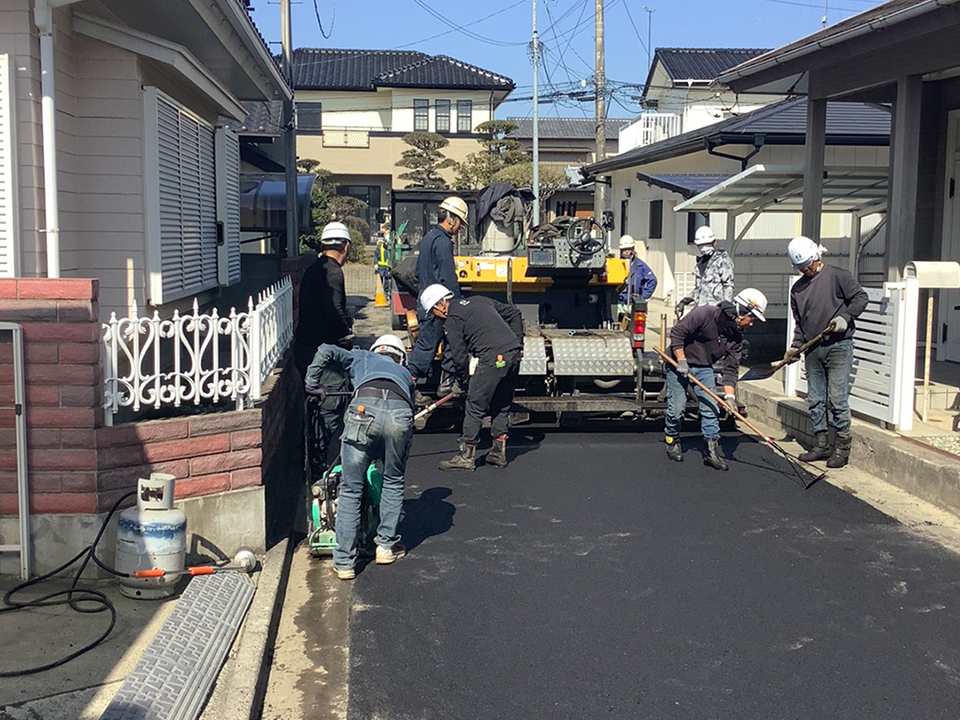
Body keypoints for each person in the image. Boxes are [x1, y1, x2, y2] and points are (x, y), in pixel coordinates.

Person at [304, 334, 415, 580]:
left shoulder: (361, 355)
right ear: (400, 357)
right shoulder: (404, 373)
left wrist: (312, 383)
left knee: (351, 488)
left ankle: (344, 561)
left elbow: (325, 348)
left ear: (377, 349)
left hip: (363, 412)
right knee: (393, 480)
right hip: (400, 413)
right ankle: (386, 547)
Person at [419, 283, 524, 471]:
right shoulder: (479, 300)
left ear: (441, 304)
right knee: (501, 404)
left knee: (474, 404)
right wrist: (518, 343)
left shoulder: (452, 319)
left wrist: (464, 385)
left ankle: (466, 456)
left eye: (433, 312)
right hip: (513, 355)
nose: (436, 318)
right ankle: (498, 454)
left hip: (493, 359)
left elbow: (459, 358)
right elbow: (515, 314)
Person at [784, 236, 868, 468]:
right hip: (812, 348)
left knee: (837, 399)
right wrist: (795, 347)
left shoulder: (838, 276)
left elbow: (861, 298)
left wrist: (845, 318)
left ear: (817, 257)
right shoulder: (798, 289)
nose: (806, 270)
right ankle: (821, 443)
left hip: (838, 345)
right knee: (816, 399)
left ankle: (842, 447)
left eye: (808, 265)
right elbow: (800, 323)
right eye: (802, 268)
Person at [665, 288, 768, 471]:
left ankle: (711, 452)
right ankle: (672, 438)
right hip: (677, 363)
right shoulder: (704, 314)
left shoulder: (735, 339)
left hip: (704, 367)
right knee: (677, 409)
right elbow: (677, 333)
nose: (752, 324)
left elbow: (730, 370)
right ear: (740, 312)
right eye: (752, 318)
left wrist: (729, 397)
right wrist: (681, 360)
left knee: (711, 408)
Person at [293, 222, 354, 469]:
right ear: (346, 247)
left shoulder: (313, 269)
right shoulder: (333, 272)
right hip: (323, 352)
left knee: (312, 403)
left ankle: (309, 454)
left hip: (304, 348)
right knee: (330, 405)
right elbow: (334, 308)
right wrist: (345, 334)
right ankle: (320, 461)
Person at [408, 197, 469, 388]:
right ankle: (447, 382)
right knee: (455, 339)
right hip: (441, 305)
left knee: (425, 345)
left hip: (426, 303)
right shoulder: (443, 242)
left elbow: (418, 272)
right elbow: (448, 277)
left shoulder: (428, 238)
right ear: (451, 219)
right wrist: (458, 305)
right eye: (460, 222)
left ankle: (411, 383)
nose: (460, 228)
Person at [675, 226, 735, 318]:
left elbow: (728, 285)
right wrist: (685, 301)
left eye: (706, 244)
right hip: (700, 311)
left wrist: (726, 308)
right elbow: (699, 288)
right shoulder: (700, 263)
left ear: (714, 242)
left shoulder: (723, 260)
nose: (703, 248)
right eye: (700, 245)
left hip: (715, 311)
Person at [618, 234, 658, 304]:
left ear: (633, 249)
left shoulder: (640, 265)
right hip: (619, 300)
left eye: (629, 249)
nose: (627, 251)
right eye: (624, 249)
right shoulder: (617, 265)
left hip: (634, 302)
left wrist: (643, 297)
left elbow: (652, 280)